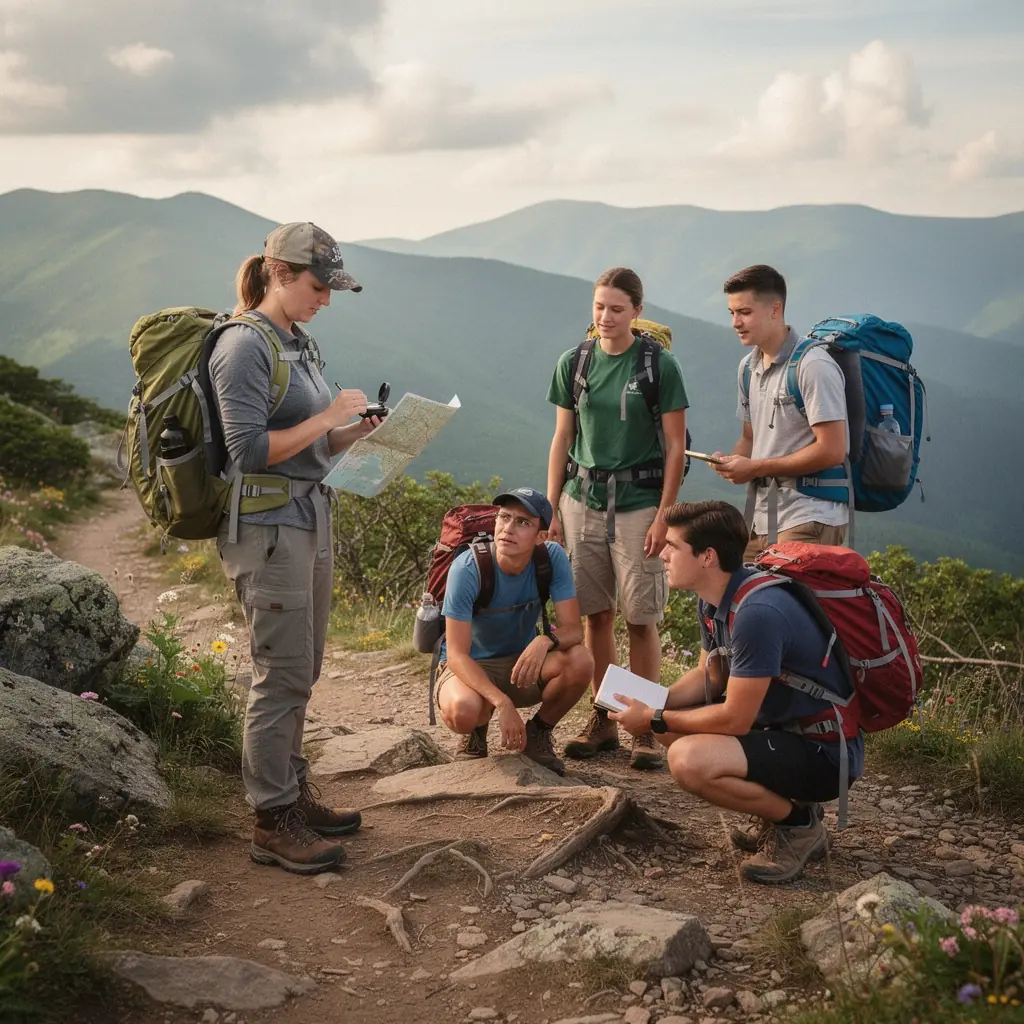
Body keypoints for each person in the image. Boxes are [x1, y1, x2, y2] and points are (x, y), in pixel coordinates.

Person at [210, 222, 383, 875]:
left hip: (310, 515)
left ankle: (291, 791)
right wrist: (327, 415)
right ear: (280, 273)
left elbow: (310, 443)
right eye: (319, 285)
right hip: (268, 528)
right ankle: (270, 820)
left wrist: (352, 433)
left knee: (303, 667)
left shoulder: (299, 344)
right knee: (278, 673)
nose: (327, 299)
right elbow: (248, 451)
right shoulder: (242, 347)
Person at [609, 500, 864, 885]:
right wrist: (655, 701)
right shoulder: (716, 599)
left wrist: (652, 718)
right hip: (785, 732)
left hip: (824, 752)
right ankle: (781, 807)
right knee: (668, 728)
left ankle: (799, 825)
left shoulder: (758, 612)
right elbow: (708, 675)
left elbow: (734, 717)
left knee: (687, 759)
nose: (662, 553)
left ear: (707, 556)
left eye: (673, 546)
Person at [546, 268, 689, 769]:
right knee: (596, 615)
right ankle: (604, 719)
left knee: (641, 617)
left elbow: (676, 446)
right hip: (580, 499)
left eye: (617, 309)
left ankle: (644, 726)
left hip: (639, 502)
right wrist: (551, 507)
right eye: (599, 307)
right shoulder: (575, 362)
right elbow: (563, 437)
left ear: (637, 312)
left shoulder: (658, 366)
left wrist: (663, 515)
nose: (605, 318)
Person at [435, 488, 594, 776]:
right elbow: (457, 654)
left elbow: (574, 631)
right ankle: (475, 733)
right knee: (464, 711)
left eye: (522, 522)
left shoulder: (551, 558)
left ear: (541, 536)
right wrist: (503, 703)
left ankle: (538, 734)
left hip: (521, 663)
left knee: (581, 661)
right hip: (470, 666)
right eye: (504, 518)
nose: (508, 529)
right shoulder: (468, 568)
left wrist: (546, 640)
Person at [713, 265, 848, 562]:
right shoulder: (748, 367)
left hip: (810, 516)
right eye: (731, 313)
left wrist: (756, 468)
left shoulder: (813, 366)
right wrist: (732, 462)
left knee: (792, 607)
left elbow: (833, 450)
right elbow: (749, 437)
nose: (736, 322)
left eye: (744, 312)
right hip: (761, 518)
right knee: (745, 603)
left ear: (775, 309)